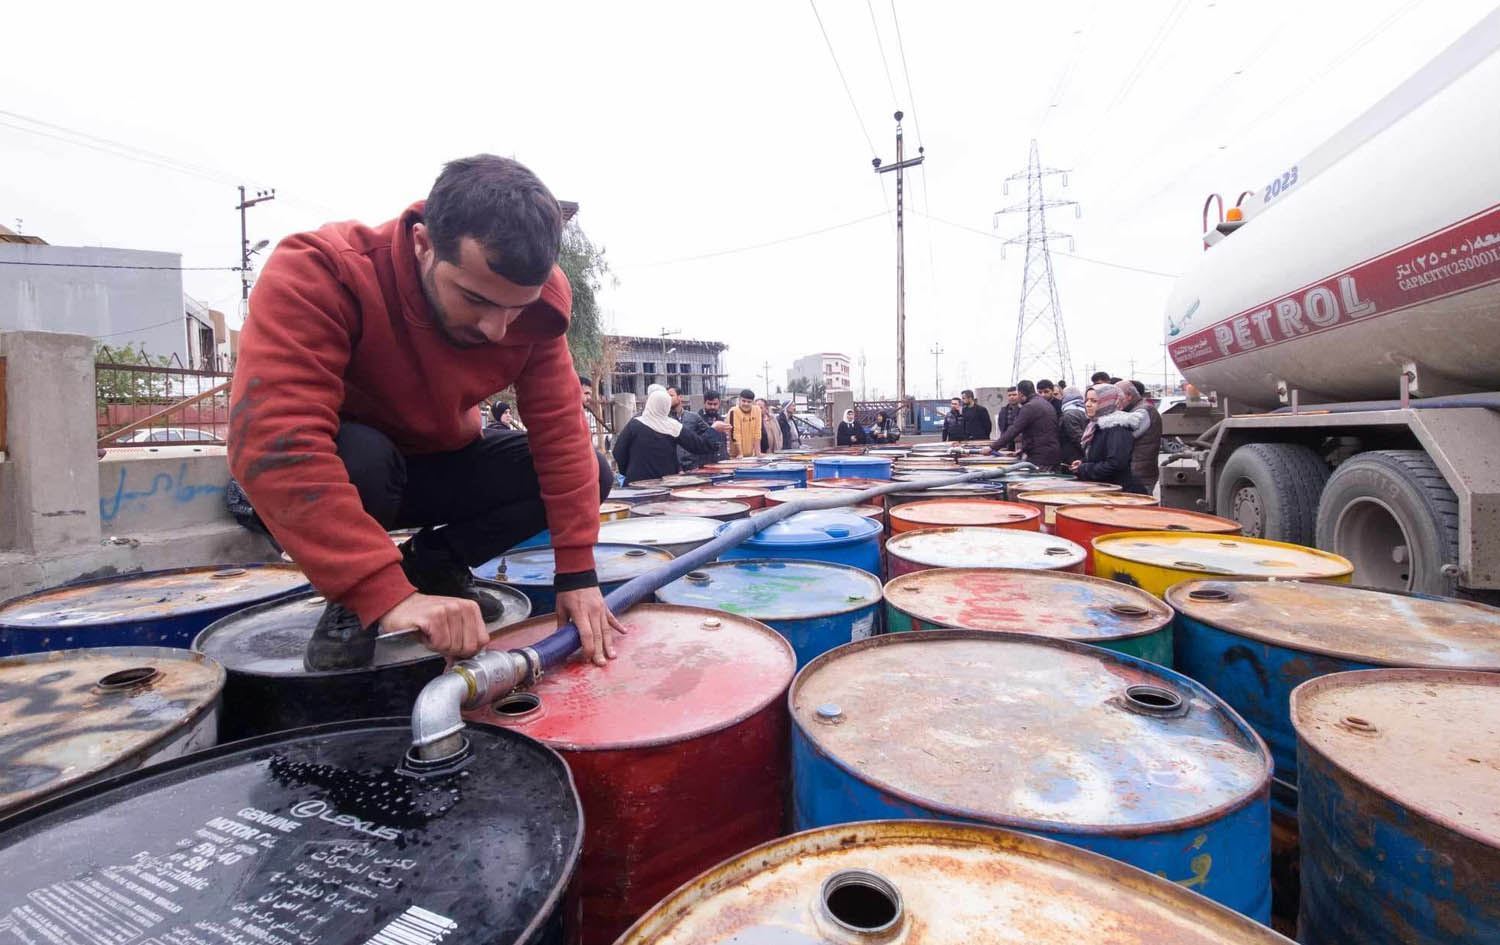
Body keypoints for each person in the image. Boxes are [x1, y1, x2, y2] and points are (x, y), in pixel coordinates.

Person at [228, 154, 624, 670]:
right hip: (351, 472)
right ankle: (351, 600)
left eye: (516, 310)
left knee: (593, 471)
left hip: (440, 462)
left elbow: (562, 434)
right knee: (363, 456)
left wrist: (576, 574)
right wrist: (382, 593)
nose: (497, 330)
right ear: (423, 245)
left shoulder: (538, 310)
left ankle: (433, 565)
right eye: (475, 299)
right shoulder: (324, 270)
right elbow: (276, 440)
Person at [613, 389, 726, 484]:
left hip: (636, 482)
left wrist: (627, 470)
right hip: (665, 483)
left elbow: (618, 452)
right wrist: (713, 430)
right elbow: (699, 445)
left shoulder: (635, 424)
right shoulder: (673, 427)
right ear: (667, 405)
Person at [1071, 383, 1144, 493]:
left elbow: (1115, 464)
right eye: (1086, 400)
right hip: (1106, 489)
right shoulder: (1095, 425)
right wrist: (1082, 463)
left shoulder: (1116, 427)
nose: (1088, 404)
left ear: (1107, 402)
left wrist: (1084, 468)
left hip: (1121, 492)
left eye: (1094, 401)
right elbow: (1099, 456)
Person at [989, 380, 1061, 469]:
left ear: (1021, 394)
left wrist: (992, 448)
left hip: (1040, 457)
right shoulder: (1045, 404)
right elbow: (1041, 433)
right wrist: (1023, 449)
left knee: (1038, 481)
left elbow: (1014, 429)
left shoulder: (1029, 407)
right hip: (1051, 454)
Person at [669, 386, 724, 471]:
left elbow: (709, 439)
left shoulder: (693, 417)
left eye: (671, 395)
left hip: (693, 467)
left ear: (680, 397)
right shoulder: (663, 420)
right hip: (672, 467)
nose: (668, 399)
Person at [1126, 379, 1164, 496]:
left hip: (1140, 474)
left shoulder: (1143, 411)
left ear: (1128, 396)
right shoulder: (1137, 409)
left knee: (1140, 507)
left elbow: (1126, 437)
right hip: (1139, 472)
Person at [1058, 386, 1088, 466]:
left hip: (1072, 456)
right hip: (1082, 456)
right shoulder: (1085, 411)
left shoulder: (1069, 414)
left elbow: (1077, 437)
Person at [729, 389, 764, 458]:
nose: (746, 404)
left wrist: (758, 452)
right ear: (739, 400)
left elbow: (757, 432)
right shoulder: (734, 411)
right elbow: (735, 433)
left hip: (751, 455)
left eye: (749, 402)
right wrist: (740, 453)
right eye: (743, 401)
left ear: (753, 402)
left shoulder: (757, 410)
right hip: (736, 455)